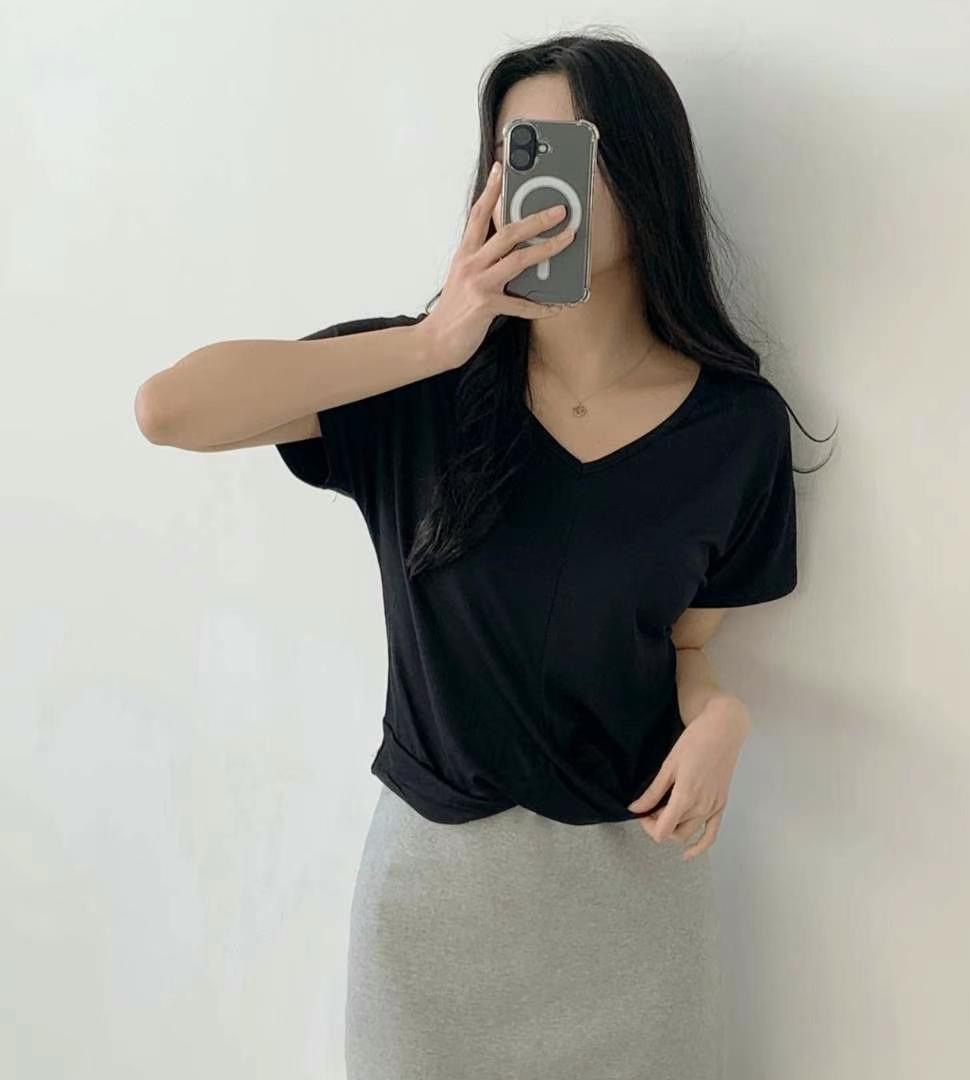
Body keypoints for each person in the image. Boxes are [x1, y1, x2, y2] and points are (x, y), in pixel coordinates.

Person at [135, 28, 831, 1080]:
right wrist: (432, 339)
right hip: (432, 909)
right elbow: (167, 410)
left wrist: (722, 717)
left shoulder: (734, 429)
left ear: (647, 170)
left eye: (576, 149)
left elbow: (688, 648)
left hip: (632, 911)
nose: (547, 185)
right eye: (522, 151)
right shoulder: (415, 384)